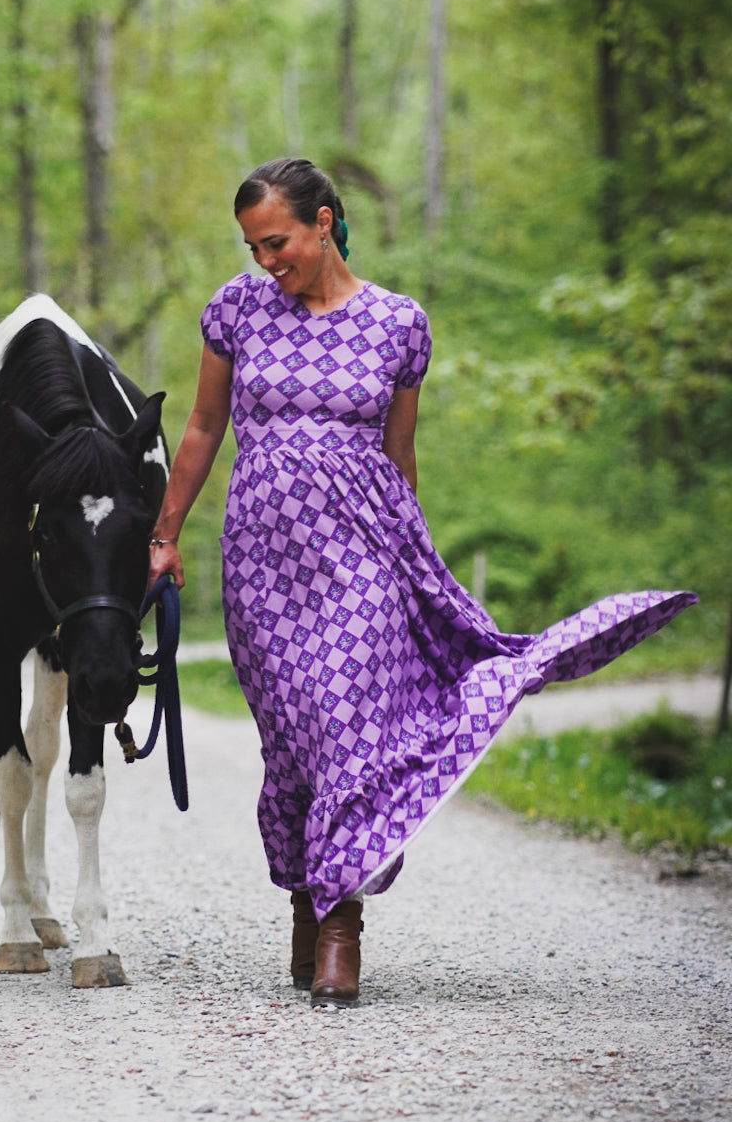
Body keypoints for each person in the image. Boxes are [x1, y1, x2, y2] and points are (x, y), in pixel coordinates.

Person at [148, 157, 695, 1008]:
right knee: (296, 742)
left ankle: (341, 926)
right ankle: (306, 895)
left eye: (279, 241)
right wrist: (166, 532)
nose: (266, 262)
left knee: (350, 725)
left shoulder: (400, 324)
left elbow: (401, 455)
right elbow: (203, 425)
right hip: (262, 560)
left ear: (325, 222)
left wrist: (420, 567)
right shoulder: (237, 309)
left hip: (367, 550)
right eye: (254, 246)